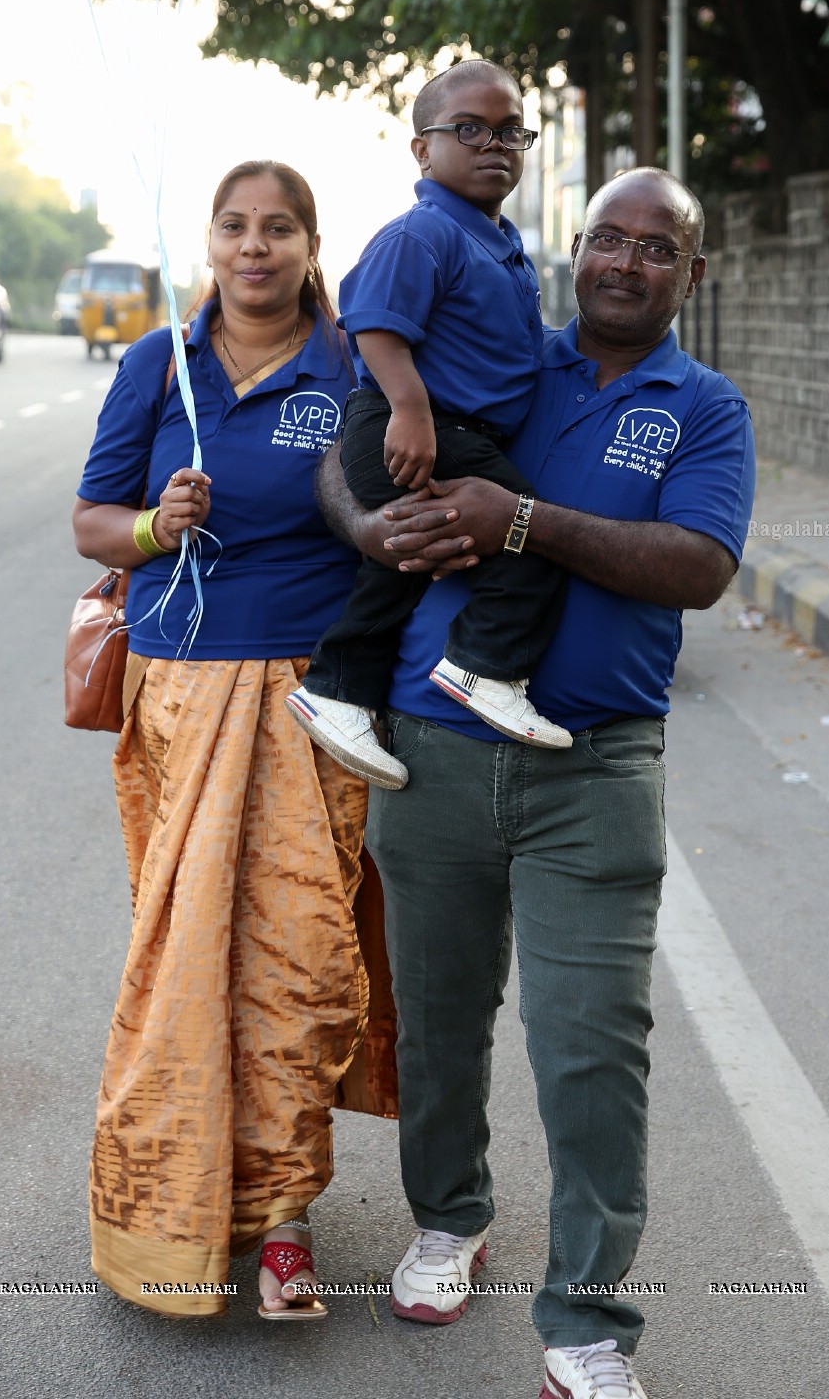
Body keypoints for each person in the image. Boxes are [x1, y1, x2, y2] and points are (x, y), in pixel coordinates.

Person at [319, 167, 756, 1399]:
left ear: (691, 275)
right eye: (607, 240)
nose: (624, 263)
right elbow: (355, 437)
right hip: (433, 752)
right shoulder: (509, 361)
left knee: (589, 1051)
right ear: (574, 252)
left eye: (655, 249)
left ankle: (587, 1328)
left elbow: (697, 566)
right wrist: (365, 529)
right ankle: (450, 1219)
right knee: (441, 1026)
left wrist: (524, 522)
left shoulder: (704, 407)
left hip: (596, 768)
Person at [71, 160, 395, 1322]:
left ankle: (286, 1219)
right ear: (209, 244)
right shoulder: (160, 363)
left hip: (317, 703)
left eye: (279, 229)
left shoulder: (357, 364)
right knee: (190, 958)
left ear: (312, 245)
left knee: (301, 964)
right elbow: (91, 521)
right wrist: (159, 525)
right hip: (183, 698)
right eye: (234, 227)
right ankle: (169, 1212)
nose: (254, 247)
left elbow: (394, 516)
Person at [287, 60, 570, 791]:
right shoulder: (422, 233)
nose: (493, 145)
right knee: (527, 538)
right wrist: (411, 412)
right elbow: (375, 327)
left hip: (446, 426)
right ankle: (483, 667)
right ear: (423, 148)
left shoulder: (498, 243)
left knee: (403, 564)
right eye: (469, 129)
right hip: (412, 423)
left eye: (511, 132)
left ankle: (337, 690)